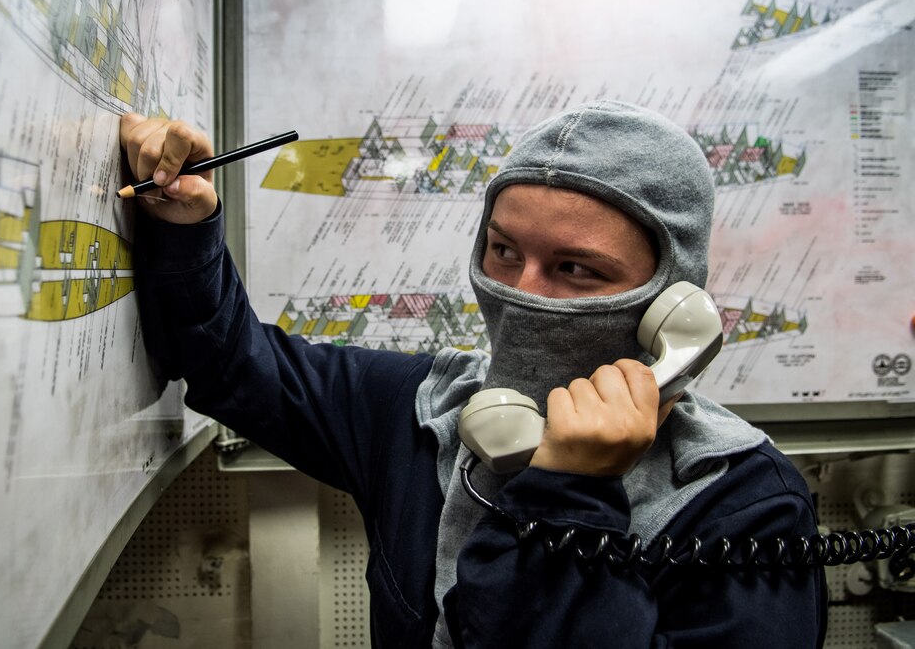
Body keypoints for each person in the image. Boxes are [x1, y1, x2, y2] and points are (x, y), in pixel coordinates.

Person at [122, 100, 827, 647]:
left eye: (574, 269)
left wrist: (570, 496)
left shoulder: (744, 504)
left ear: (674, 304)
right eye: (501, 251)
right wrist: (184, 222)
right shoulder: (428, 409)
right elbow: (231, 367)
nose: (523, 290)